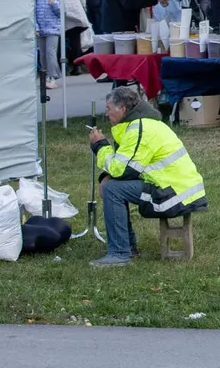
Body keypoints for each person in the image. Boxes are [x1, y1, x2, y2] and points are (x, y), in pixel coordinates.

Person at [88, 86, 208, 268]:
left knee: (112, 190)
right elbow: (127, 166)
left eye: (109, 108)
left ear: (122, 109)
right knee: (110, 186)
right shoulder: (141, 124)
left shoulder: (138, 129)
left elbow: (123, 171)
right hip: (175, 187)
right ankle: (128, 247)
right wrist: (106, 176)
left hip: (175, 195)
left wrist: (100, 146)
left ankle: (120, 253)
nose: (107, 114)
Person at [34, 0, 62, 90]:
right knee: (42, 55)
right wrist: (36, 27)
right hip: (41, 30)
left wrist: (54, 3)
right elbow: (33, 12)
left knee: (51, 53)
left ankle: (53, 76)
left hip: (53, 29)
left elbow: (61, 12)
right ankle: (45, 76)